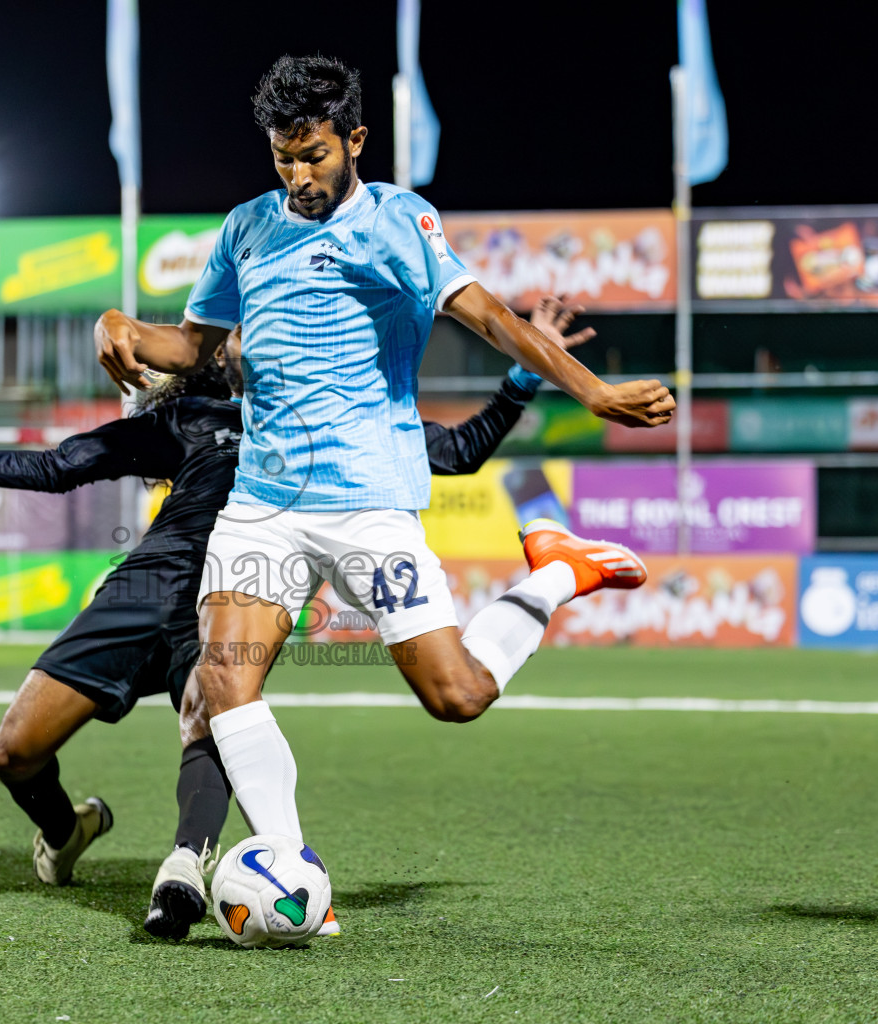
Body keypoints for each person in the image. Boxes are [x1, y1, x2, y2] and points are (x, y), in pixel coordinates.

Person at [92, 55, 675, 865]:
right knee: (223, 684)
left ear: (355, 138)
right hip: (261, 507)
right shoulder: (246, 228)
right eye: (282, 156)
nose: (297, 175)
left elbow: (495, 320)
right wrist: (117, 323)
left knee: (458, 695)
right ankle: (286, 869)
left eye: (314, 155)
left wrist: (593, 392)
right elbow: (189, 349)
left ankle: (558, 571)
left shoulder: (398, 221)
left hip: (368, 500)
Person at [0, 302, 592, 940]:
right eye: (238, 327)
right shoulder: (189, 416)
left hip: (241, 591)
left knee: (214, 707)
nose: (249, 334)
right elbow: (66, 463)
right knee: (11, 753)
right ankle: (65, 830)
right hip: (145, 590)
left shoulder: (337, 425)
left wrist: (526, 374)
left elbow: (459, 450)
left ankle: (185, 864)